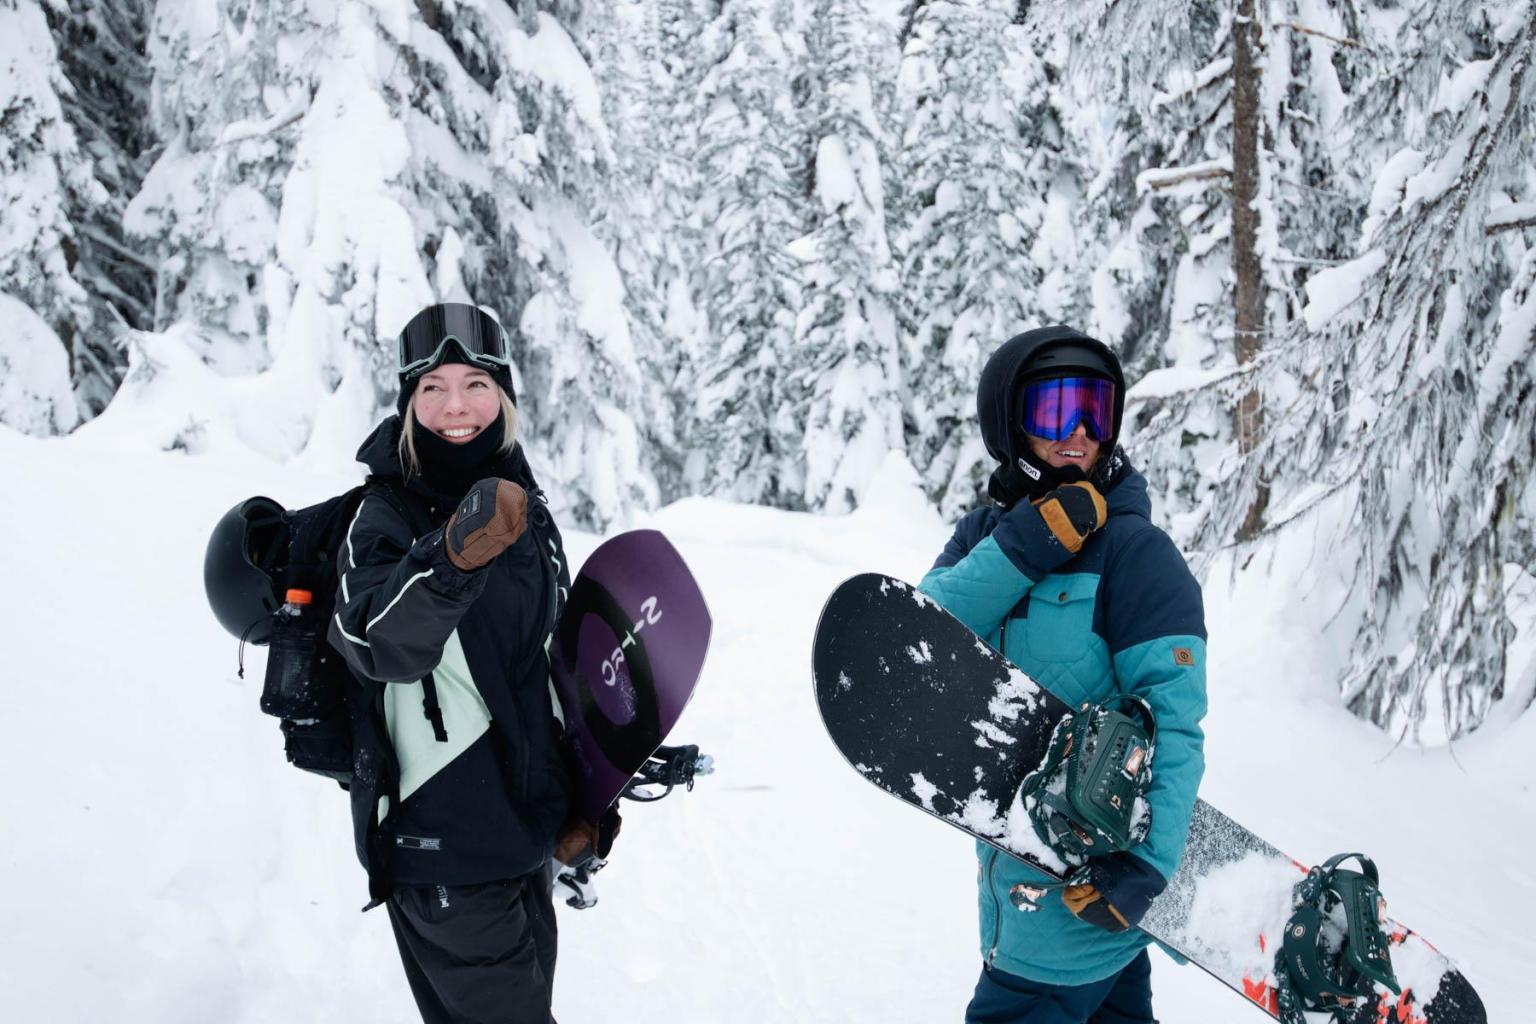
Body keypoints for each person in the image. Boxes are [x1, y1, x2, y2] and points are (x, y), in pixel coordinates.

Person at [917, 325, 1208, 1024]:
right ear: (1009, 424)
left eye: (1095, 411)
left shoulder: (1137, 553)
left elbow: (1174, 722)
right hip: (1030, 896)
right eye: (1055, 411)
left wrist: (1145, 867)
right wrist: (1026, 545)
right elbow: (920, 640)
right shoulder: (983, 539)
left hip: (1075, 910)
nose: (1078, 433)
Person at [328, 302, 594, 1024]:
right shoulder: (383, 515)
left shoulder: (527, 507)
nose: (456, 406)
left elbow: (550, 663)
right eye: (433, 388)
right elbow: (372, 641)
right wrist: (449, 559)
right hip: (441, 843)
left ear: (502, 395)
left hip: (523, 839)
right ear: (408, 402)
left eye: (476, 384)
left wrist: (594, 782)